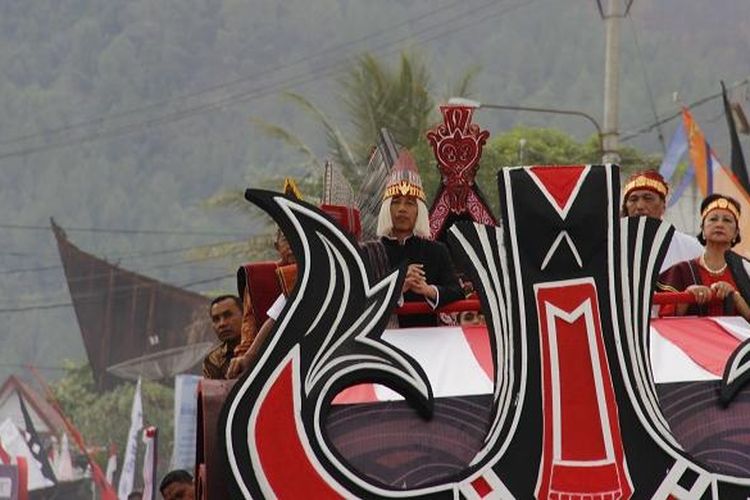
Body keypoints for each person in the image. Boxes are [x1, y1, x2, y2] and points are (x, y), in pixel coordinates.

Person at [375, 150, 464, 327]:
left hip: (429, 342)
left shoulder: (436, 251)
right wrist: (399, 286)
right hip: (383, 342)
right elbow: (359, 298)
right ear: (386, 208)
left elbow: (457, 292)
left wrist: (427, 290)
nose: (402, 209)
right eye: (395, 202)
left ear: (419, 211)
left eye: (409, 203)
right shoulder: (370, 253)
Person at [657, 194, 750, 319]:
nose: (719, 224)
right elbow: (666, 319)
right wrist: (688, 295)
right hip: (691, 338)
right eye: (713, 219)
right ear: (703, 229)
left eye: (727, 220)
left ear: (736, 233)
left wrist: (736, 298)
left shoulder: (746, 269)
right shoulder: (683, 270)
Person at [621, 170, 702, 271]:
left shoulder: (690, 247)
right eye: (633, 199)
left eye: (648, 198)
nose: (640, 206)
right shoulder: (611, 247)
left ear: (663, 206)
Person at [202, 295, 243, 379]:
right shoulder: (213, 360)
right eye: (216, 319)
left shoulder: (263, 344)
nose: (222, 324)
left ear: (244, 314)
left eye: (228, 315)